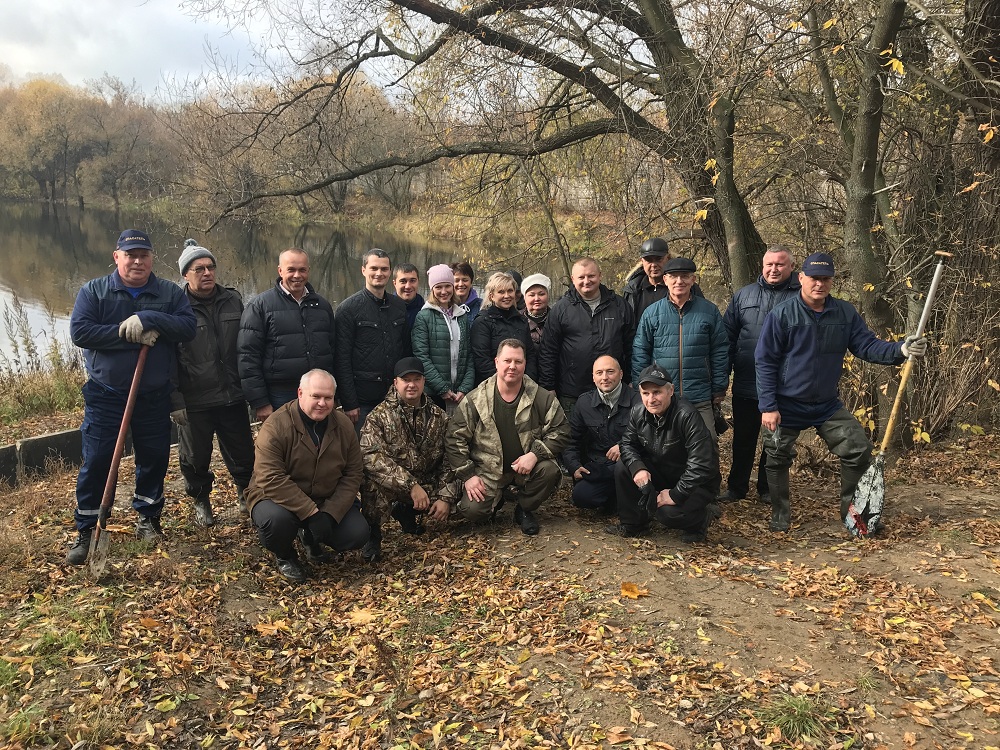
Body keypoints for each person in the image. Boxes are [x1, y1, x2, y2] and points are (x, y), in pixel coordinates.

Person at [756, 252, 928, 532]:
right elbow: (765, 361)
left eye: (825, 279)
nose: (819, 285)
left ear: (832, 281)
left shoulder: (844, 313)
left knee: (858, 449)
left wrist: (901, 349)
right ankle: (780, 515)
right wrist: (768, 405)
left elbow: (867, 346)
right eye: (814, 278)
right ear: (801, 278)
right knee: (776, 456)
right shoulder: (783, 314)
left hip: (826, 404)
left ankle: (853, 515)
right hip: (786, 404)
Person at [65, 229, 197, 565]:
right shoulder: (95, 291)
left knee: (153, 458)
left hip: (152, 396)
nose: (137, 261)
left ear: (152, 258)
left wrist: (150, 318)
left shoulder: (167, 292)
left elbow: (187, 327)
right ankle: (89, 526)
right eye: (130, 255)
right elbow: (81, 331)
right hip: (106, 395)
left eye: (144, 255)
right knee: (97, 460)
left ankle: (148, 517)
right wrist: (129, 333)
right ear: (117, 257)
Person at [244, 369, 369, 582]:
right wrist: (311, 513)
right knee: (276, 522)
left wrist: (330, 513)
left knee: (357, 532)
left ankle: (310, 538)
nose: (322, 403)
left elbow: (353, 472)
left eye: (328, 398)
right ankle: (285, 555)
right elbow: (270, 477)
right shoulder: (275, 426)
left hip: (324, 497)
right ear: (300, 393)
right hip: (277, 499)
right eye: (316, 396)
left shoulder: (344, 425)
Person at [171, 239, 255, 526]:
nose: (206, 273)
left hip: (232, 394)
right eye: (198, 269)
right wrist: (175, 400)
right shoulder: (177, 308)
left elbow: (248, 346)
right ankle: (201, 500)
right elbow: (170, 358)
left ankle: (246, 494)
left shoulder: (233, 300)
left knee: (243, 452)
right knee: (195, 457)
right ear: (185, 274)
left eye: (210, 267)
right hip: (196, 400)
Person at [446, 339, 569, 535]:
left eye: (518, 361)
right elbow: (454, 439)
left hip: (526, 469)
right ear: (496, 362)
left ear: (525, 364)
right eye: (507, 361)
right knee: (472, 511)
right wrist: (469, 476)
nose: (512, 366)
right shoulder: (475, 399)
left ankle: (524, 508)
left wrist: (535, 454)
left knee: (549, 471)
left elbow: (561, 430)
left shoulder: (541, 397)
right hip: (488, 470)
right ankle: (497, 498)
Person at [719, 246, 800, 504]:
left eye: (780, 264)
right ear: (762, 266)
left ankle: (767, 488)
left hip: (784, 385)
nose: (774, 269)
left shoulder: (802, 296)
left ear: (791, 267)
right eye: (769, 264)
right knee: (743, 439)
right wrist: (724, 376)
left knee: (774, 442)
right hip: (746, 382)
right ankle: (736, 487)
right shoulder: (744, 296)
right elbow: (727, 339)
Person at [608, 363, 722, 543]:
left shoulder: (687, 415)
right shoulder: (638, 412)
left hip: (695, 482)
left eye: (657, 392)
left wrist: (676, 494)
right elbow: (627, 444)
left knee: (667, 514)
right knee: (624, 465)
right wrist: (638, 469)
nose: (651, 399)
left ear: (671, 391)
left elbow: (702, 465)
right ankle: (633, 525)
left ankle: (700, 520)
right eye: (645, 394)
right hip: (662, 472)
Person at [358, 357, 458, 561]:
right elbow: (370, 457)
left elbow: (451, 457)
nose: (411, 385)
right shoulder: (378, 417)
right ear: (396, 383)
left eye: (417, 379)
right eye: (406, 380)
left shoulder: (439, 417)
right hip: (397, 485)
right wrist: (410, 486)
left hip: (427, 483)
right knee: (370, 482)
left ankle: (406, 512)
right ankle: (373, 535)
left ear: (424, 382)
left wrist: (445, 496)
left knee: (467, 499)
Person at [632, 257, 728, 439]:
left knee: (707, 444)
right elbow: (640, 351)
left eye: (685, 276)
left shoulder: (709, 311)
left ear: (693, 279)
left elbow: (720, 351)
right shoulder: (652, 313)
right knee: (664, 448)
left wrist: (719, 386)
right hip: (662, 397)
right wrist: (642, 387)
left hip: (699, 395)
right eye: (673, 276)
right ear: (665, 280)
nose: (679, 281)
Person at [238, 248, 336, 422]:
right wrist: (259, 401)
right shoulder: (260, 306)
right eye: (291, 269)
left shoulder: (322, 306)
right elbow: (247, 357)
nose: (297, 275)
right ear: (280, 270)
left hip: (317, 393)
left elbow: (333, 349)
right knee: (283, 445)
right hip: (279, 394)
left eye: (302, 270)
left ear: (308, 271)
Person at [538, 258, 635, 420]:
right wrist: (548, 385)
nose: (586, 281)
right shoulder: (561, 309)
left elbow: (632, 346)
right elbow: (548, 351)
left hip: (613, 388)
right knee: (573, 439)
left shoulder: (619, 306)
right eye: (581, 277)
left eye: (591, 276)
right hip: (572, 390)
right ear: (572, 279)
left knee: (611, 439)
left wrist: (632, 379)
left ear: (600, 276)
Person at [334, 248, 410, 435]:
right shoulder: (348, 309)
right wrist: (349, 402)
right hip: (362, 401)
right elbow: (341, 359)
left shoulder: (399, 307)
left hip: (393, 397)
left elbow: (406, 351)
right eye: (374, 268)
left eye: (384, 269)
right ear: (363, 270)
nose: (379, 273)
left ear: (390, 272)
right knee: (363, 454)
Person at [563, 355, 642, 515]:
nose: (604, 377)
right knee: (581, 496)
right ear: (593, 377)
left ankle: (623, 500)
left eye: (610, 372)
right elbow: (571, 440)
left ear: (621, 374)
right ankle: (615, 498)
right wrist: (574, 466)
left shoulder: (639, 401)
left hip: (630, 468)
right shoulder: (584, 403)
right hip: (599, 467)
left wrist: (624, 446)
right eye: (599, 373)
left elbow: (651, 437)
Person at [411, 264, 475, 415]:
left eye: (448, 286)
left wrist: (465, 388)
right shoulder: (424, 317)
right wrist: (442, 388)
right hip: (434, 393)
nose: (444, 291)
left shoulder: (462, 316)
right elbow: (421, 357)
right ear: (432, 289)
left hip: (459, 393)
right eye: (439, 287)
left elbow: (469, 356)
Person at [471, 271, 535, 384]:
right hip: (492, 384)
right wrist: (503, 382)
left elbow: (530, 355)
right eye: (501, 292)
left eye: (510, 291)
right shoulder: (482, 322)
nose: (507, 296)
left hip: (522, 383)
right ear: (491, 296)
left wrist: (525, 381)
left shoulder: (521, 320)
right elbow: (482, 360)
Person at [621, 237, 704, 322]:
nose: (654, 265)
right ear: (642, 261)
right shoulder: (632, 290)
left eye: (658, 259)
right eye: (649, 260)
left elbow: (703, 319)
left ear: (667, 258)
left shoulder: (685, 287)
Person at [521, 273, 551, 365]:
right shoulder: (517, 321)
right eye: (532, 295)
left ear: (548, 296)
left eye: (541, 294)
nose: (537, 299)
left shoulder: (557, 319)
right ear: (525, 298)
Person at [393, 263, 424, 329]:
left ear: (418, 282)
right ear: (394, 283)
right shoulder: (384, 310)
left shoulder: (426, 310)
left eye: (412, 281)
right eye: (403, 281)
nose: (408, 286)